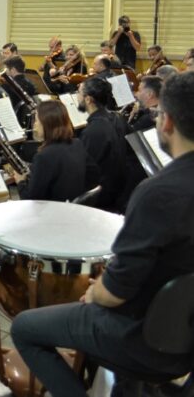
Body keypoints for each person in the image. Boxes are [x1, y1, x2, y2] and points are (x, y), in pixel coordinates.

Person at [12, 71, 194, 397]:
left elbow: (116, 291)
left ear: (166, 123)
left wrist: (96, 293)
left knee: (25, 328)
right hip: (185, 332)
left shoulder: (158, 192)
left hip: (143, 336)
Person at [13, 100, 94, 202]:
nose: (34, 124)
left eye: (37, 120)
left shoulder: (43, 156)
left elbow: (31, 199)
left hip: (55, 212)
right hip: (74, 207)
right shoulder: (77, 143)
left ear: (46, 124)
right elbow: (93, 175)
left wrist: (21, 181)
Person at [77, 77, 127, 212]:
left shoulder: (95, 130)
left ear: (88, 99)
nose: (77, 96)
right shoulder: (115, 118)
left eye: (79, 92)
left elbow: (85, 170)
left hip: (101, 197)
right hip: (116, 190)